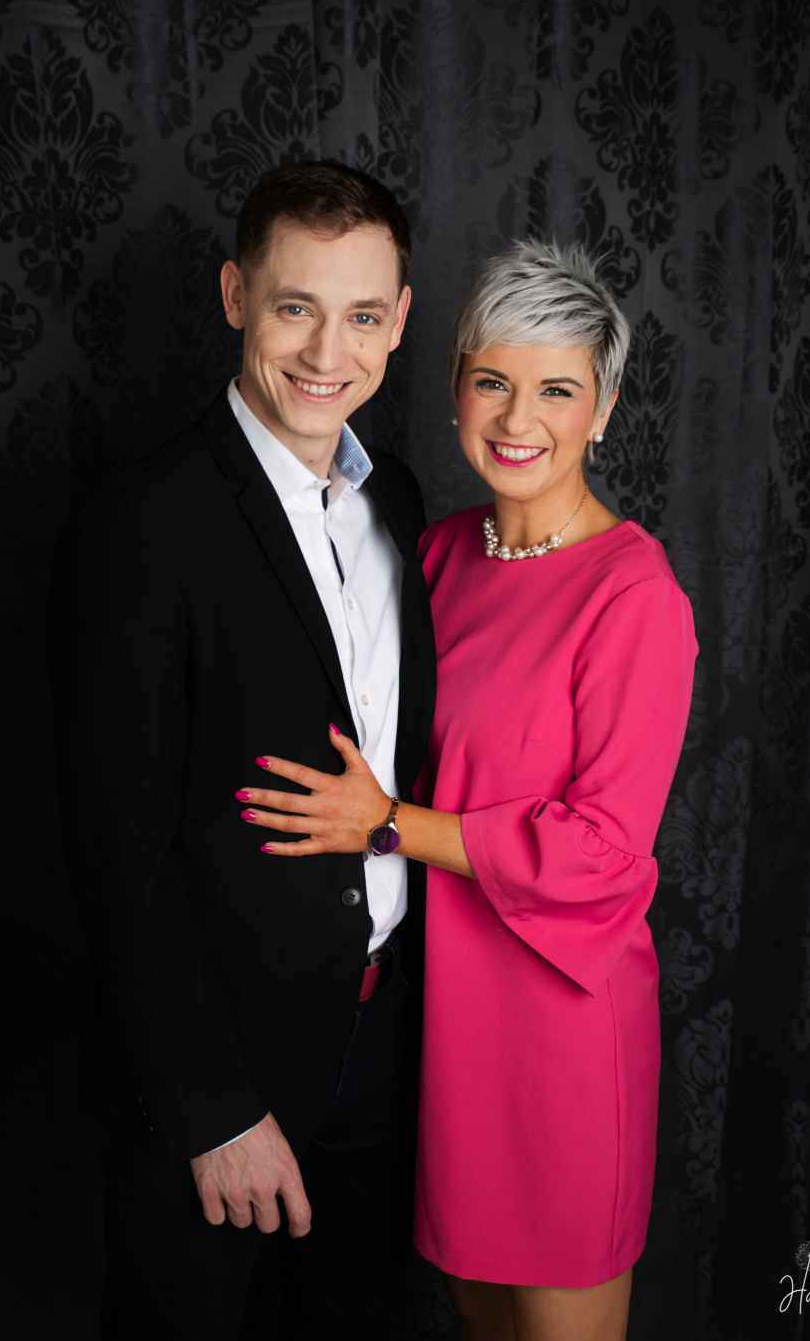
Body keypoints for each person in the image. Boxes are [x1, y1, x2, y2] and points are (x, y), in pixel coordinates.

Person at [239, 238, 697, 1341]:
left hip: (562, 1028)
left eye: (557, 390)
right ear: (454, 389)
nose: (517, 417)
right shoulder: (437, 553)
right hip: (445, 1028)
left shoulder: (632, 593)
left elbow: (603, 851)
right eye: (492, 381)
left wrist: (387, 826)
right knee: (477, 1318)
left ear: (604, 409)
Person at [47, 161, 436, 1341]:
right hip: (218, 1070)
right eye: (294, 306)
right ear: (234, 296)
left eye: (361, 315)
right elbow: (119, 849)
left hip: (384, 1039)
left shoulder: (397, 500)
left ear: (400, 320)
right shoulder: (145, 518)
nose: (327, 351)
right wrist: (211, 1107)